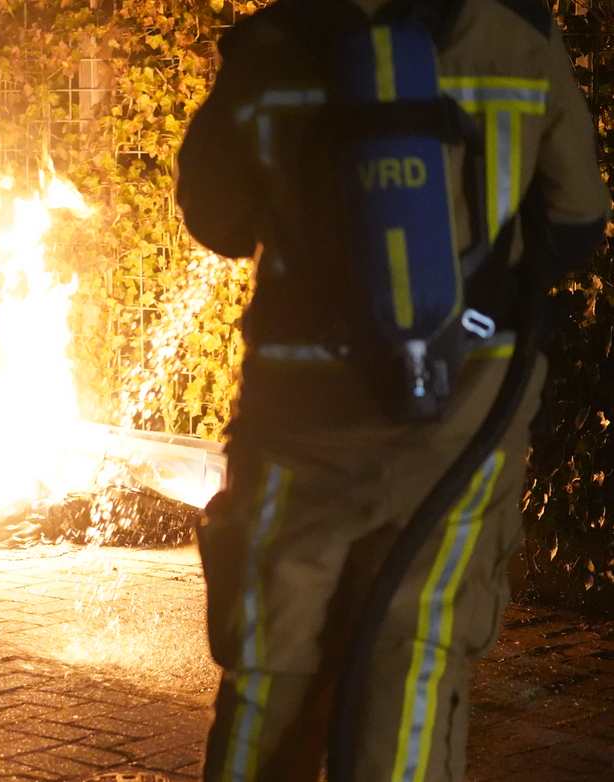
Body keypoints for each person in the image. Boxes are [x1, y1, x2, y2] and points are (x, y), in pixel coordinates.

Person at [176, 0, 607, 779]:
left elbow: (218, 220)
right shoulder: (520, 39)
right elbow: (577, 223)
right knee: (413, 658)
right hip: (463, 422)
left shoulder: (271, 45)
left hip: (296, 423)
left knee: (270, 665)